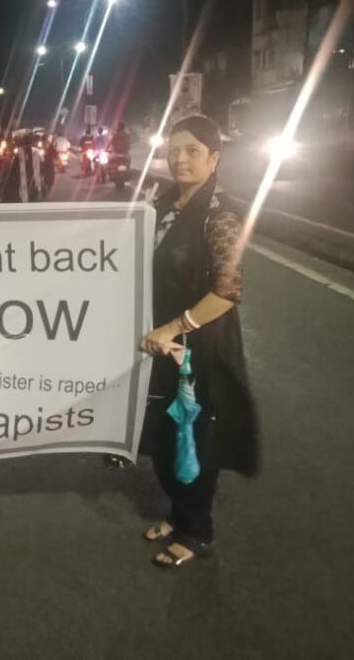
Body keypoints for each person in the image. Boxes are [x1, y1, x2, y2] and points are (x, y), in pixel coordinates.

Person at [138, 114, 260, 568]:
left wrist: (174, 327)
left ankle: (197, 530)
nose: (180, 159)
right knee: (162, 431)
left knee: (193, 435)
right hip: (160, 344)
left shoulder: (220, 215)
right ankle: (177, 512)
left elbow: (227, 292)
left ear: (214, 158)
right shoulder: (163, 204)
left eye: (192, 150)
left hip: (201, 348)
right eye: (174, 151)